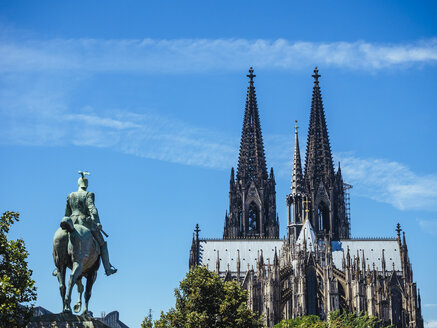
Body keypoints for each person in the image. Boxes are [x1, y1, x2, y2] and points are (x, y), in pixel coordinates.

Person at [62, 171, 117, 276]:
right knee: (102, 244)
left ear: (78, 184)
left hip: (71, 222)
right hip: (85, 223)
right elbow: (93, 209)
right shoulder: (89, 194)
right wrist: (97, 222)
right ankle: (108, 268)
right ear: (86, 185)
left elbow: (67, 213)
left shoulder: (70, 195)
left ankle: (58, 267)